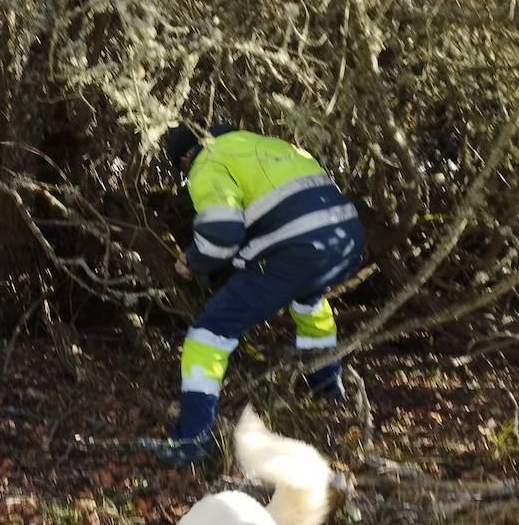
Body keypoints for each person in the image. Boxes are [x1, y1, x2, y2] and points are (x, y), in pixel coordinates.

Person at [144, 123, 366, 466]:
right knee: (308, 302)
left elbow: (223, 233)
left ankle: (190, 440)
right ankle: (325, 390)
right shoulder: (267, 145)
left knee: (208, 334)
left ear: (187, 157)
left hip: (297, 248)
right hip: (348, 240)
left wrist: (192, 260)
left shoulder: (207, 162)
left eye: (183, 169)